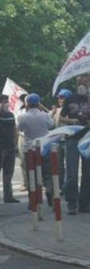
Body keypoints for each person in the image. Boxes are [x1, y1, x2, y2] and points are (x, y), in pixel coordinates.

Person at [17, 93, 54, 211]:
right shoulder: (45, 115)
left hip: (30, 150)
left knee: (31, 175)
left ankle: (33, 200)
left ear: (27, 104)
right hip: (44, 147)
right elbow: (52, 125)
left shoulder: (23, 117)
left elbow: (20, 129)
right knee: (47, 173)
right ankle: (48, 189)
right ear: (38, 103)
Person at [57, 86, 90, 214]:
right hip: (72, 138)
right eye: (79, 80)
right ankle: (72, 203)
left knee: (87, 172)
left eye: (85, 80)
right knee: (72, 171)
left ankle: (85, 203)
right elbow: (60, 118)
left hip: (87, 138)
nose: (82, 84)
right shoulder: (70, 98)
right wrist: (71, 120)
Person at [0, 95, 19, 203]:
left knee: (8, 174)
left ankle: (8, 196)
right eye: (4, 102)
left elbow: (14, 129)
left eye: (7, 102)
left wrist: (15, 142)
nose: (7, 104)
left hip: (10, 147)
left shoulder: (10, 115)